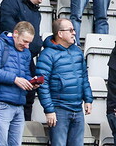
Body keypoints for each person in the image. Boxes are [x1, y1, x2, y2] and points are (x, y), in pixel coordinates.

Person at [37, 18, 93, 146]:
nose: (74, 32)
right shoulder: (47, 55)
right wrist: (49, 110)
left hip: (77, 109)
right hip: (59, 110)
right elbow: (42, 84)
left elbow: (84, 77)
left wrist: (88, 99)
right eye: (71, 30)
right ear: (60, 34)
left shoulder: (78, 52)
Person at [0, 21, 38, 146]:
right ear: (15, 34)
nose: (27, 46)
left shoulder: (26, 52)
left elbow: (25, 73)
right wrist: (15, 79)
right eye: (25, 41)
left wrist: (31, 81)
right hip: (1, 103)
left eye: (29, 42)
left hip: (19, 105)